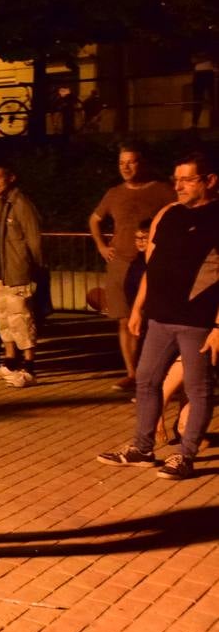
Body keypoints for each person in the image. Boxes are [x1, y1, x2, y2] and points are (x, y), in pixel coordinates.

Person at [97, 153, 219, 480]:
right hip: (160, 318)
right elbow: (153, 266)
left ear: (209, 180)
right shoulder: (168, 214)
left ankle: (185, 455)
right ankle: (142, 448)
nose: (178, 186)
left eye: (187, 179)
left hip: (199, 321)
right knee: (147, 380)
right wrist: (138, 308)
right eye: (175, 179)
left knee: (198, 389)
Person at [88, 144, 173, 391]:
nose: (125, 167)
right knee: (124, 320)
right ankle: (132, 374)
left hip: (151, 264)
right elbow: (94, 219)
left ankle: (155, 374)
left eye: (131, 162)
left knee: (151, 321)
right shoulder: (114, 193)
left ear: (142, 163)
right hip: (120, 264)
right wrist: (102, 246)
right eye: (121, 162)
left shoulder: (162, 191)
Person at [0, 166, 43, 388]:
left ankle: (29, 368)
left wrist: (36, 268)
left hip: (18, 272)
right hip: (0, 271)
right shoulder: (0, 203)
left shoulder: (21, 204)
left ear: (11, 178)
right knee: (4, 318)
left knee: (22, 319)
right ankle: (9, 362)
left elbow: (34, 240)